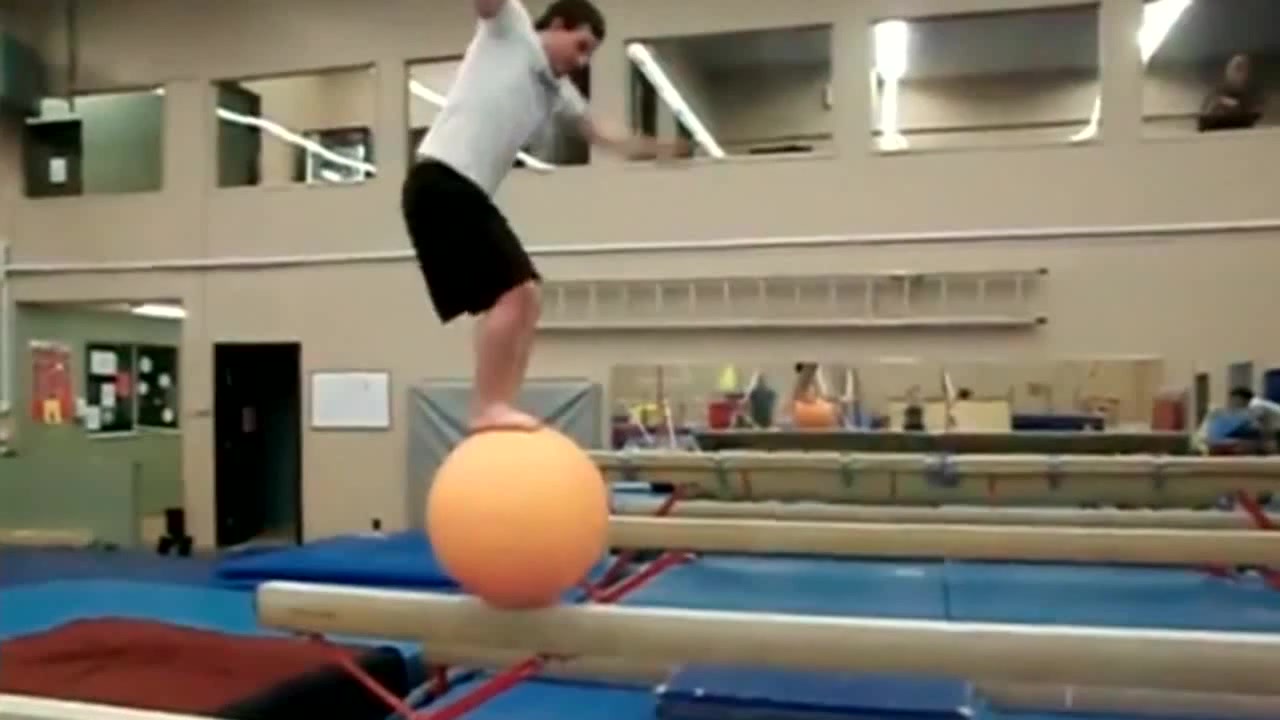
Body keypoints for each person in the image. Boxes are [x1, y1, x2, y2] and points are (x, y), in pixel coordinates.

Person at [402, 0, 685, 431]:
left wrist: (657, 149)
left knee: (527, 300)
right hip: (441, 182)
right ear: (556, 24)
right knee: (516, 295)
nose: (581, 61)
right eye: (580, 46)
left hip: (460, 192)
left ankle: (498, 406)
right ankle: (487, 407)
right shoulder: (511, 30)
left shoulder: (557, 89)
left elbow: (600, 132)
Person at [1198, 53, 1263, 133]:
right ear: (1227, 71)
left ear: (1247, 73)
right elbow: (1202, 123)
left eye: (1243, 69)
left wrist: (1236, 107)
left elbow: (1254, 121)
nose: (1239, 73)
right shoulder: (1215, 95)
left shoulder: (1252, 98)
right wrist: (1217, 106)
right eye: (1237, 68)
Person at [1228, 386, 1280, 454]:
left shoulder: (1255, 405)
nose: (1234, 403)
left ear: (1241, 398)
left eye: (1235, 400)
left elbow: (1260, 423)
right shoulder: (1256, 403)